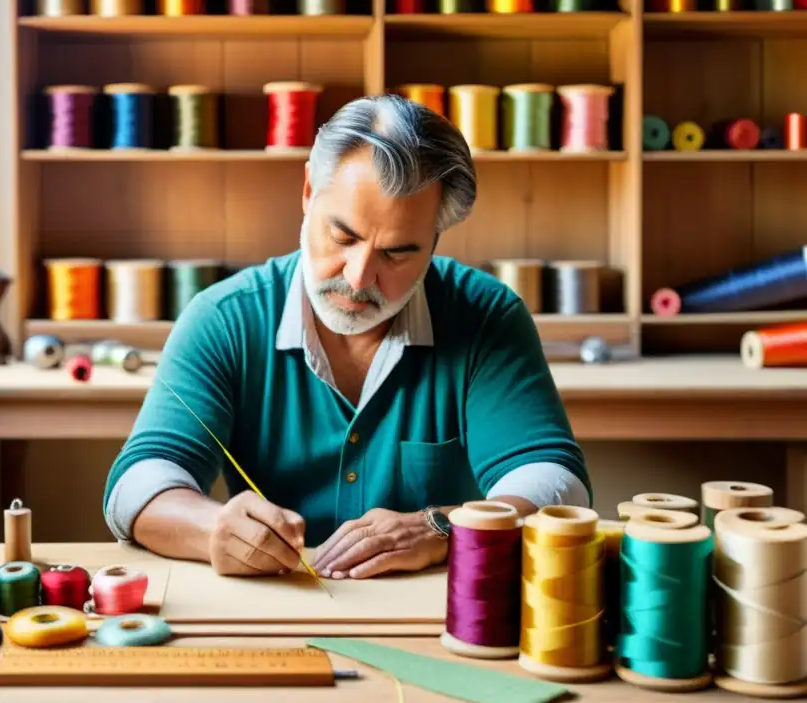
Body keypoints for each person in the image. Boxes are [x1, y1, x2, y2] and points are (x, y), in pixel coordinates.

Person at [102, 94, 591, 581]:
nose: (359, 279)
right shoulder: (223, 319)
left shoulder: (486, 316)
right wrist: (211, 527)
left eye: (397, 254)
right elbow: (136, 485)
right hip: (277, 611)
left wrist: (444, 526)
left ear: (437, 241)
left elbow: (556, 483)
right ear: (309, 192)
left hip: (431, 618)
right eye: (343, 237)